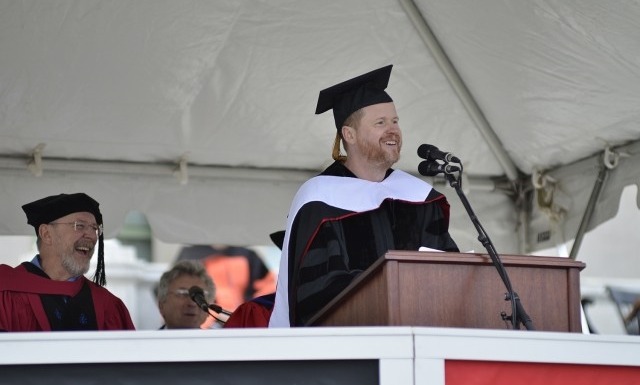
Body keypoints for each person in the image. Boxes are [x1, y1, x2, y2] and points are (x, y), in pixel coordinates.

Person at [269, 65, 459, 327]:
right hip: (350, 351)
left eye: (395, 122)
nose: (393, 130)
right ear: (350, 134)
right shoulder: (321, 202)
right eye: (380, 123)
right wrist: (393, 287)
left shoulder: (418, 198)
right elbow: (318, 294)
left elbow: (449, 272)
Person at [0, 193, 135, 331]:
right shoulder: (5, 290)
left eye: (94, 228)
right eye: (80, 225)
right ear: (46, 234)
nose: (91, 236)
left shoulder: (107, 305)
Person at [156, 260, 217, 329]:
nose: (192, 303)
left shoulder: (220, 339)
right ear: (161, 305)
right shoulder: (147, 339)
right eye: (182, 293)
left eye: (199, 295)